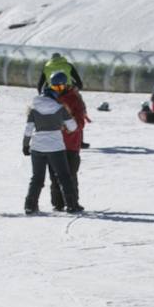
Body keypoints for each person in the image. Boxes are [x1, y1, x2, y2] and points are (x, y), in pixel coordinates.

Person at [22, 71, 80, 214]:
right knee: (64, 176)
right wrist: (62, 124)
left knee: (37, 178)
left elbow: (28, 129)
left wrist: (25, 145)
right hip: (56, 147)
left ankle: (30, 206)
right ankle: (71, 205)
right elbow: (73, 127)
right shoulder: (59, 108)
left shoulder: (33, 109)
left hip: (37, 147)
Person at [49, 74, 89, 210]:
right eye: (55, 86)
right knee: (55, 176)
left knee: (70, 174)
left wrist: (69, 128)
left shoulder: (74, 99)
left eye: (60, 86)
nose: (58, 89)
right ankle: (58, 203)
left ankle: (72, 202)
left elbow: (81, 122)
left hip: (71, 144)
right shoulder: (50, 98)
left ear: (65, 84)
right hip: (54, 144)